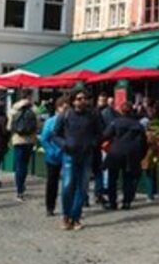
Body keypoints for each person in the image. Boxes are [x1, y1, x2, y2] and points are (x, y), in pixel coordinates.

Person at [56, 89, 102, 230]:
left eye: (84, 98)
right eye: (79, 98)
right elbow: (55, 134)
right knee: (67, 186)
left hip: (86, 155)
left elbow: (100, 133)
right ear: (73, 100)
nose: (82, 101)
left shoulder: (93, 115)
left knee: (82, 188)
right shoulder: (65, 115)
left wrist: (93, 143)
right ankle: (66, 215)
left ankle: (75, 217)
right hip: (69, 155)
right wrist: (64, 144)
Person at [102, 102, 147, 210]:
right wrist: (141, 155)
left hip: (115, 152)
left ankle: (113, 202)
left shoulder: (115, 123)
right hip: (131, 153)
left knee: (113, 178)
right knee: (128, 178)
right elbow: (143, 142)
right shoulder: (138, 125)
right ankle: (127, 201)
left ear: (121, 111)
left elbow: (105, 135)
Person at [39, 97, 67, 217]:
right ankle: (50, 207)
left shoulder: (70, 120)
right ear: (58, 108)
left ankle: (68, 207)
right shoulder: (50, 121)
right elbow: (44, 139)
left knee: (68, 183)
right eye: (64, 108)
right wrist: (51, 151)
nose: (66, 110)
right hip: (53, 156)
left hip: (67, 155)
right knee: (52, 183)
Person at [8, 96, 38, 202]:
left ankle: (19, 190)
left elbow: (9, 127)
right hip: (30, 140)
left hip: (18, 140)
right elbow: (37, 126)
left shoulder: (14, 109)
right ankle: (22, 185)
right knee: (25, 165)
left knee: (19, 166)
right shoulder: (34, 110)